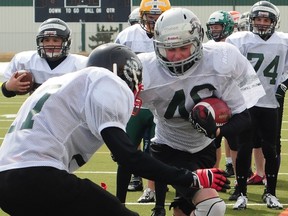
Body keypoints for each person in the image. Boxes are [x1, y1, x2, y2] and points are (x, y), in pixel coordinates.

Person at [0, 43, 230, 216]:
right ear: (126, 74)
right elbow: (128, 157)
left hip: (7, 184)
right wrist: (189, 178)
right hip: (38, 177)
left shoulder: (58, 84)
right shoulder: (107, 80)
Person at [138, 7, 264, 216]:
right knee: (213, 207)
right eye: (170, 49)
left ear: (197, 42)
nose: (177, 56)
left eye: (184, 47)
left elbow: (244, 117)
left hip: (204, 150)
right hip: (169, 149)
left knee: (185, 209)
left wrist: (217, 132)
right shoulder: (147, 69)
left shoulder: (220, 60)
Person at [226, 0, 288, 210]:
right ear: (251, 21)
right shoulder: (240, 40)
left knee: (271, 149)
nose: (261, 23)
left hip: (270, 103)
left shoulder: (284, 42)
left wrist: (284, 84)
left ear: (274, 22)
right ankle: (242, 192)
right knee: (243, 148)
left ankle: (270, 192)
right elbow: (230, 68)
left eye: (266, 19)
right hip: (246, 102)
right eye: (258, 19)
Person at [115, 0, 171, 204]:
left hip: (160, 102)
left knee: (156, 154)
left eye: (158, 17)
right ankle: (119, 201)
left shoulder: (171, 35)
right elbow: (116, 68)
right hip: (133, 105)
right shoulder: (128, 36)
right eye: (150, 16)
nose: (153, 21)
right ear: (141, 16)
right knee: (124, 154)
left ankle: (154, 196)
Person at [1, 18, 87, 97]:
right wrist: (9, 87)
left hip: (68, 113)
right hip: (37, 113)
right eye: (46, 40)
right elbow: (6, 92)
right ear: (40, 42)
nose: (50, 44)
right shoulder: (26, 61)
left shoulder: (80, 65)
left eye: (55, 40)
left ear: (66, 42)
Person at [205, 10, 236, 177]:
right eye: (212, 27)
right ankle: (215, 172)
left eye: (217, 26)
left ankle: (238, 176)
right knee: (213, 140)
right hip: (214, 98)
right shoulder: (207, 46)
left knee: (235, 139)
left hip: (232, 97)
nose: (215, 30)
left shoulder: (236, 45)